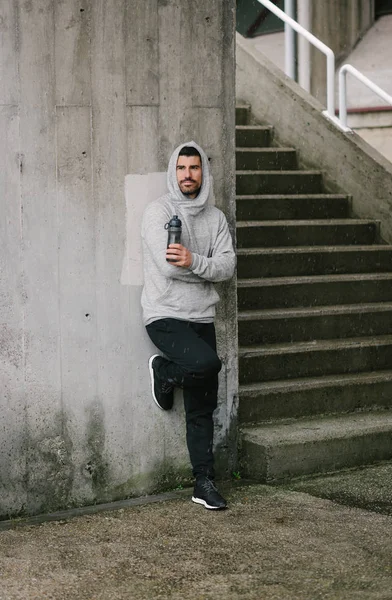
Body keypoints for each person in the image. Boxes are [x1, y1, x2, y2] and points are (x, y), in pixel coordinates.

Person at [141, 141, 235, 510]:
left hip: (202, 318)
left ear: (203, 173)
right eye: (181, 168)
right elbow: (167, 266)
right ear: (173, 172)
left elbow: (227, 268)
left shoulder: (216, 218)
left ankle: (203, 482)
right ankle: (163, 370)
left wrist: (193, 261)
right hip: (164, 315)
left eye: (194, 168)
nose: (187, 175)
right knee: (207, 365)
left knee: (202, 407)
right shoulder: (158, 212)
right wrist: (205, 268)